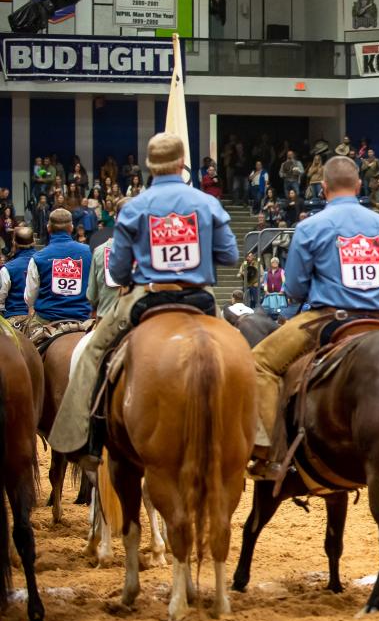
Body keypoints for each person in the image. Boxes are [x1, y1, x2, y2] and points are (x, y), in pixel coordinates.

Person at [50, 133, 239, 468]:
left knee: (94, 352)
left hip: (148, 298)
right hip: (201, 300)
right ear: (182, 164)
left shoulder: (135, 207)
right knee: (241, 355)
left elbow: (120, 270)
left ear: (150, 166)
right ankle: (256, 435)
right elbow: (229, 253)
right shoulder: (207, 204)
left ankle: (86, 443)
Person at [248, 155, 379, 479]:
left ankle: (268, 452)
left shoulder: (310, 227)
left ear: (323, 188)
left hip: (329, 320)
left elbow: (294, 288)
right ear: (359, 186)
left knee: (259, 362)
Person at [25, 208, 92, 336]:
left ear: (48, 228)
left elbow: (29, 299)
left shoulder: (38, 257)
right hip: (83, 319)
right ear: (71, 228)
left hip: (46, 320)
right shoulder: (89, 252)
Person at [86, 199, 127, 320]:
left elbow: (92, 296)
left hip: (108, 319)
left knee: (91, 340)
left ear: (116, 219)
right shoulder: (149, 250)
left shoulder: (99, 251)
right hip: (141, 321)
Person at [0, 226, 36, 320]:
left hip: (15, 317)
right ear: (34, 242)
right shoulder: (47, 263)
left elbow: (0, 298)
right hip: (41, 317)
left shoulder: (8, 268)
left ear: (14, 242)